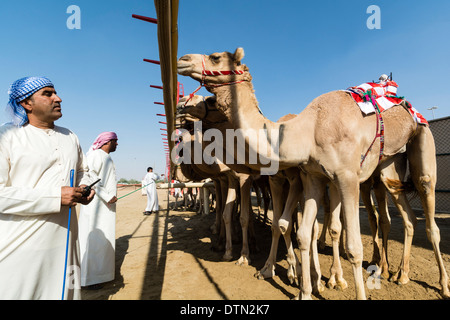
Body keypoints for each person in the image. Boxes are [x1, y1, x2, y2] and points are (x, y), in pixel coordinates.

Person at [0, 76, 95, 300]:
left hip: (65, 241)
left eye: (56, 92)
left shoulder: (70, 136)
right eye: (48, 93)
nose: (58, 98)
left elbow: (84, 170)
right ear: (26, 103)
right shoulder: (7, 136)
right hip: (22, 244)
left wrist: (85, 186)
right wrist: (54, 197)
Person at [78, 132, 118, 289]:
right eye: (115, 141)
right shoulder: (95, 155)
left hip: (105, 206)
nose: (117, 144)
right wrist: (108, 196)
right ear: (107, 142)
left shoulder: (106, 157)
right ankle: (89, 279)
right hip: (95, 206)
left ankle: (99, 276)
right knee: (94, 240)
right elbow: (90, 181)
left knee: (102, 241)